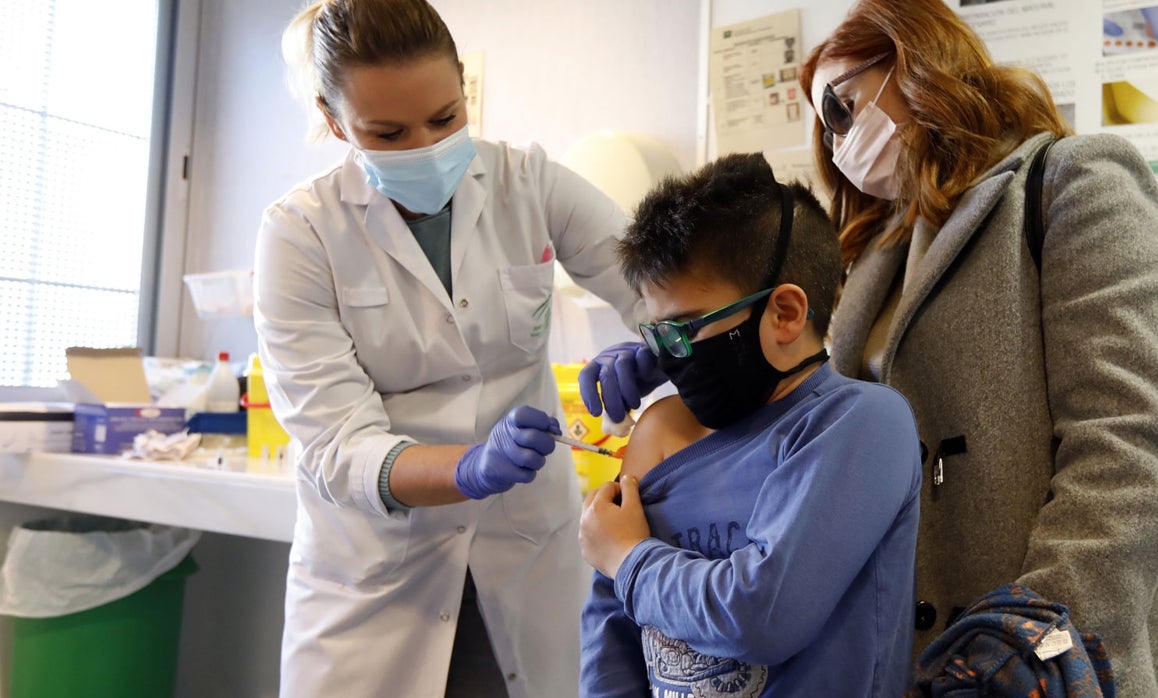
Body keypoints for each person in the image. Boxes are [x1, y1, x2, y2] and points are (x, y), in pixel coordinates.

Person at [796, 0, 1158, 695]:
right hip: (913, 657)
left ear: (911, 59)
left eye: (840, 106)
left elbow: (1130, 442)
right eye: (822, 125)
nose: (836, 143)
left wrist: (1029, 644)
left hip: (1043, 658)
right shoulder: (877, 250)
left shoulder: (1075, 180)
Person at [254, 1, 643, 696]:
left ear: (463, 87)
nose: (425, 149)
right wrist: (467, 468)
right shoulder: (300, 233)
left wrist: (660, 345)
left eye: (444, 119)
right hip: (376, 576)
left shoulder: (529, 183)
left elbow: (655, 279)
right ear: (335, 119)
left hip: (526, 548)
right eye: (388, 132)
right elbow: (337, 444)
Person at [578, 152, 923, 697]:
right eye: (659, 333)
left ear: (785, 313)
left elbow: (762, 614)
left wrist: (628, 558)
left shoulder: (860, 423)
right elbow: (611, 628)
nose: (671, 354)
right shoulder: (662, 429)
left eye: (685, 327)